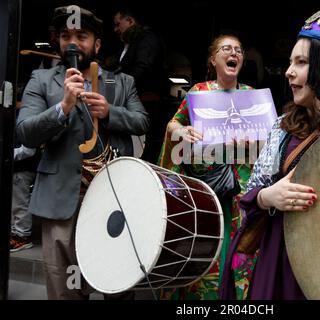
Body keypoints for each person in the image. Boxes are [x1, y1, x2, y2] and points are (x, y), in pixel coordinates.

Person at [220, 9, 320, 300]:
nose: (289, 71)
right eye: (290, 62)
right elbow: (252, 192)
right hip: (283, 262)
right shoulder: (283, 128)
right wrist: (268, 197)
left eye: (302, 62)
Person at [16, 5, 149, 299]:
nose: (73, 42)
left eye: (82, 35)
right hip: (62, 199)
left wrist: (110, 111)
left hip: (113, 200)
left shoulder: (122, 82)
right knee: (65, 290)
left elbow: (143, 122)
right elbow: (24, 131)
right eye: (65, 35)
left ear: (97, 44)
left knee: (118, 285)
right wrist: (62, 107)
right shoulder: (42, 81)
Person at [158, 35, 258, 300]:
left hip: (241, 190)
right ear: (213, 59)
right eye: (226, 49)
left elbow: (268, 140)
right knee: (204, 247)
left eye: (238, 50)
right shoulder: (198, 92)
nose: (233, 53)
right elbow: (172, 125)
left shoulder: (251, 96)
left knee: (237, 250)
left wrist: (253, 142)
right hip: (204, 190)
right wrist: (183, 130)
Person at [112, 6, 168, 164]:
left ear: (130, 21)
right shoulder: (128, 44)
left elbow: (142, 68)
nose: (115, 29)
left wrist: (121, 89)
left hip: (147, 101)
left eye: (118, 24)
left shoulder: (147, 38)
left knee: (148, 143)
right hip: (135, 99)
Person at [10, 142, 40, 252]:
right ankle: (16, 234)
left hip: (22, 168)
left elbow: (29, 150)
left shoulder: (26, 127)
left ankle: (22, 237)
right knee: (15, 203)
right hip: (18, 168)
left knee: (20, 203)